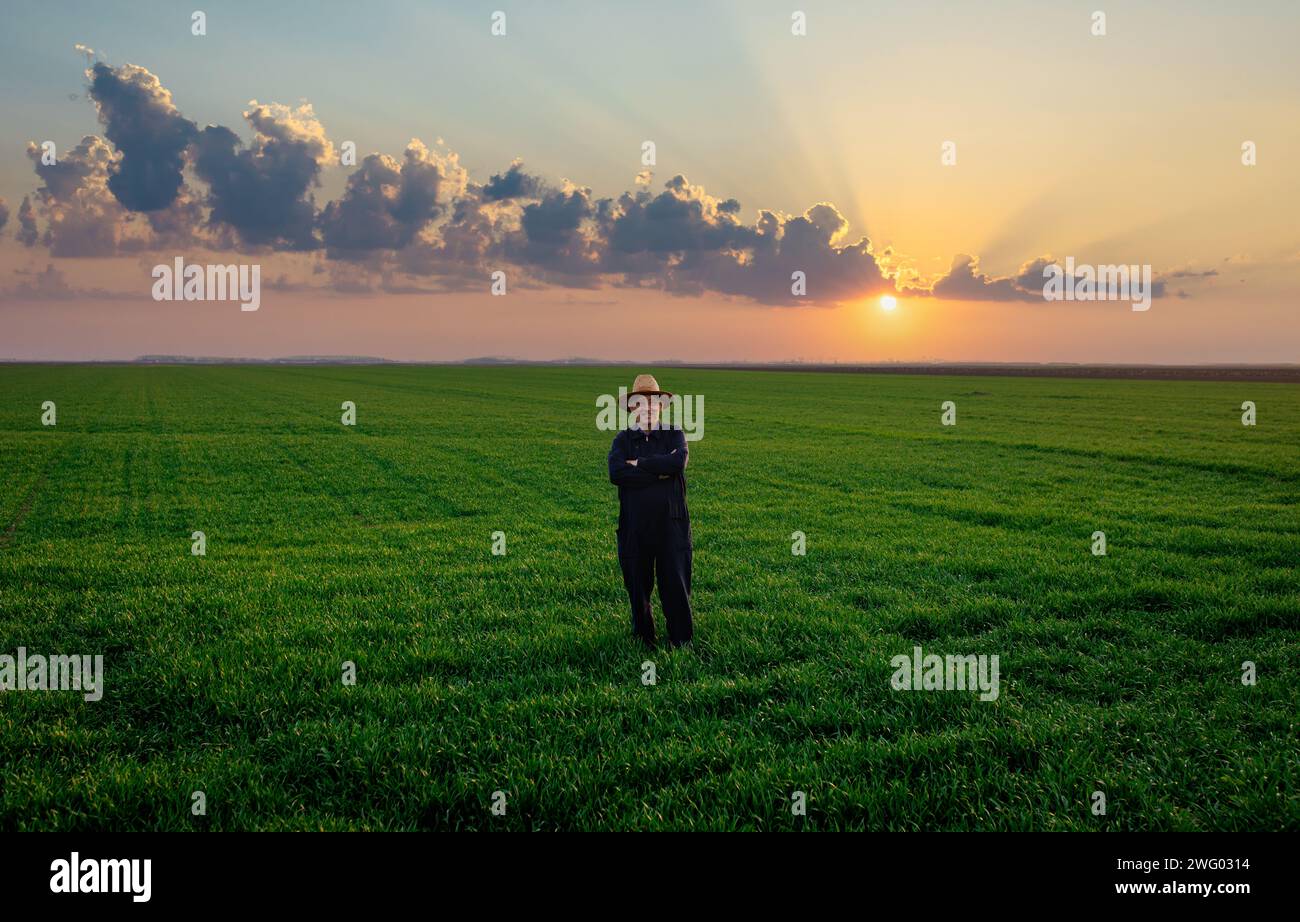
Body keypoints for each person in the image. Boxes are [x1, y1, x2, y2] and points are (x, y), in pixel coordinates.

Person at [607, 374, 693, 647]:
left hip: (672, 524)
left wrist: (639, 464)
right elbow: (616, 472)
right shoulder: (623, 439)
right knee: (638, 585)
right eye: (641, 403)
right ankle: (645, 639)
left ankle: (681, 640)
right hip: (635, 525)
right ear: (632, 408)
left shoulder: (674, 434)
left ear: (660, 407)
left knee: (675, 584)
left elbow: (678, 462)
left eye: (653, 403)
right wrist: (658, 471)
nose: (647, 408)